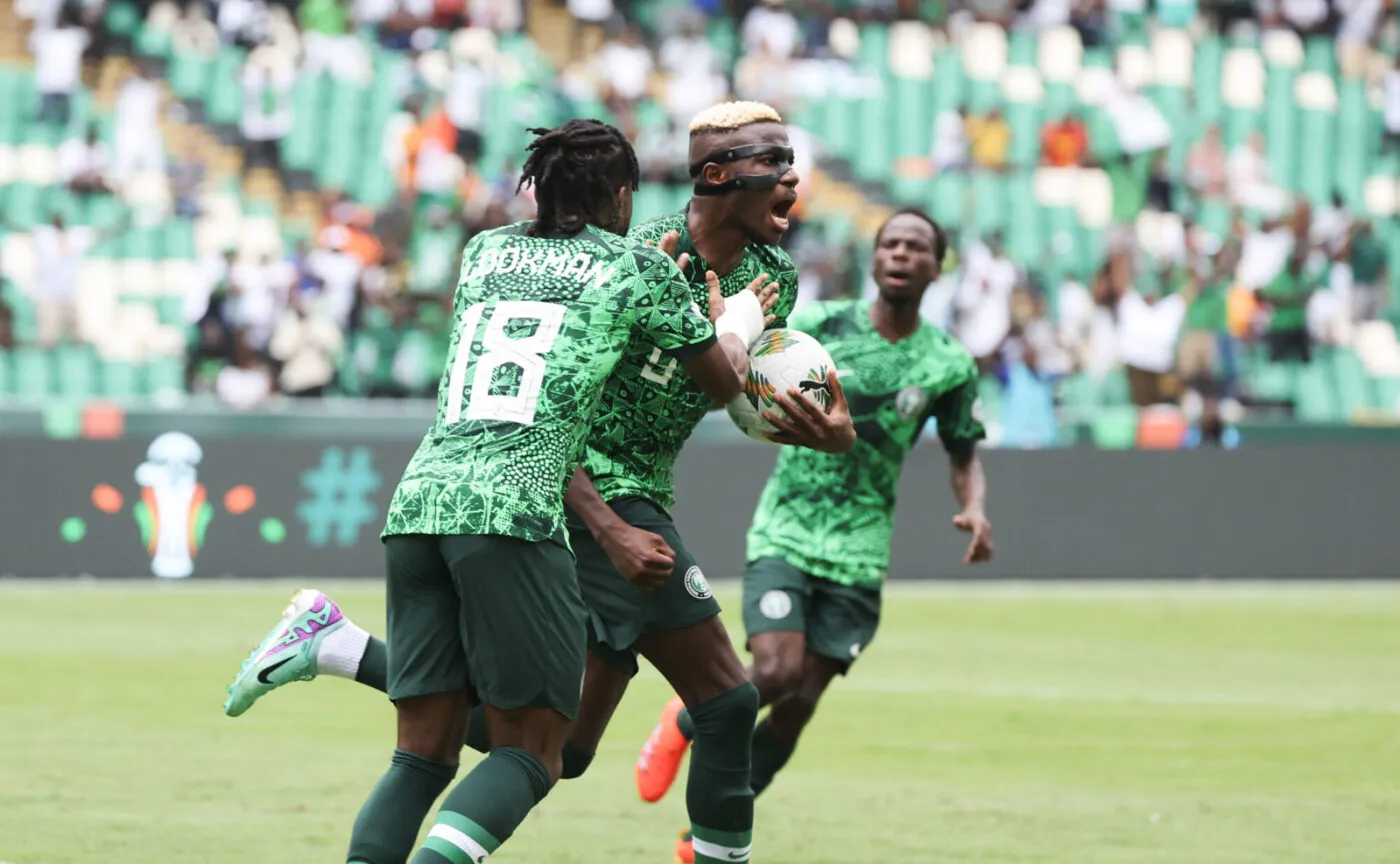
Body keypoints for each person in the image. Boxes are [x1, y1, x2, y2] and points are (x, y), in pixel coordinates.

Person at [222, 103, 852, 864]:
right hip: (582, 496)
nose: (792, 180)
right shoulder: (639, 251)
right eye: (775, 163)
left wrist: (818, 425)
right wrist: (612, 525)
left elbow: (741, 387)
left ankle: (343, 649)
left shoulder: (771, 274)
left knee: (554, 744)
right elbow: (605, 395)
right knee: (725, 700)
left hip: (523, 492)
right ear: (716, 176)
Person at [634, 209, 996, 863]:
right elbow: (731, 359)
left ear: (936, 266)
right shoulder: (822, 324)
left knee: (799, 705)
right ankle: (681, 722)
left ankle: (703, 839)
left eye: (916, 247)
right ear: (875, 257)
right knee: (774, 671)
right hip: (789, 527)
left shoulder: (947, 363)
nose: (901, 254)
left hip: (860, 547)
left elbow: (964, 451)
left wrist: (974, 509)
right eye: (891, 243)